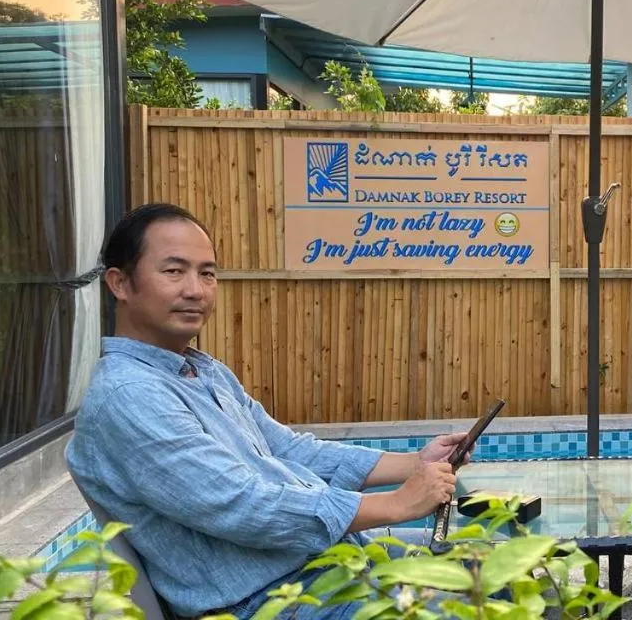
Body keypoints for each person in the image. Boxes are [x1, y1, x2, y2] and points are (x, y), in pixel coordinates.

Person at [66, 203, 466, 620]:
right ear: (120, 283)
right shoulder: (129, 396)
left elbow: (291, 451)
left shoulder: (202, 371)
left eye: (207, 273)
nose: (196, 290)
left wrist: (414, 463)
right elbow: (241, 505)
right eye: (174, 271)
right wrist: (396, 506)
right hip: (267, 603)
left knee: (503, 571)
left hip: (317, 574)